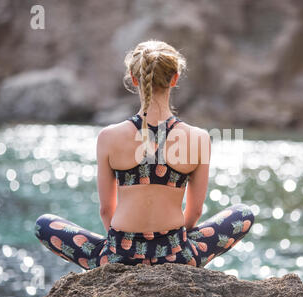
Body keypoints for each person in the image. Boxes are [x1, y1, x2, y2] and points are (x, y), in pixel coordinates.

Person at [35, 39, 254, 270]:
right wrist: (173, 243)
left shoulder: (109, 137)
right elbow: (195, 211)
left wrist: (120, 246)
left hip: (119, 254)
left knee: (44, 225)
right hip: (177, 254)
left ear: (134, 77)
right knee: (243, 214)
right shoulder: (198, 138)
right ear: (175, 78)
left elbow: (106, 210)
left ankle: (109, 258)